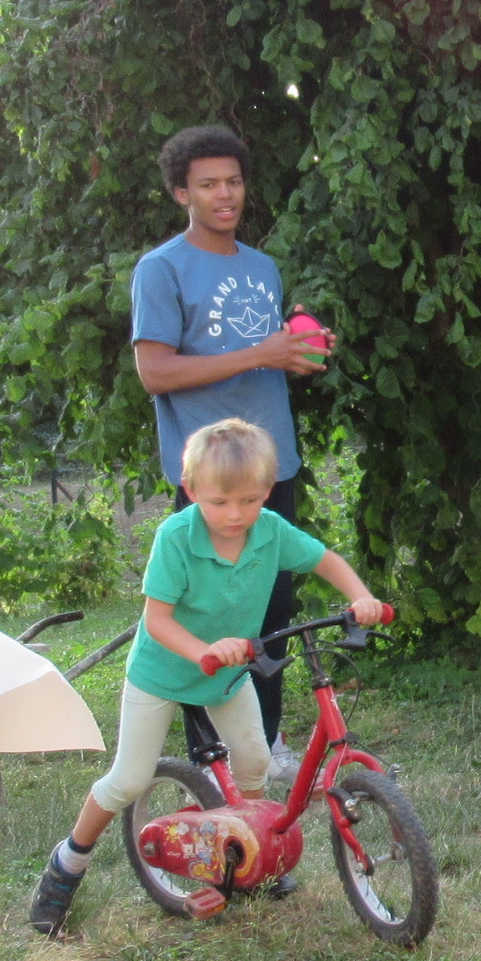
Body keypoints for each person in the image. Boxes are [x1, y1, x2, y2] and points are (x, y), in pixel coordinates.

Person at [28, 418, 387, 934]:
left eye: (249, 500)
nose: (235, 514)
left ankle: (247, 853)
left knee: (255, 762)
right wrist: (204, 651)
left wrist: (360, 596)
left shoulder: (269, 531)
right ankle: (67, 864)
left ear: (268, 490)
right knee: (129, 779)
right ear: (192, 490)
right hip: (161, 674)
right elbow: (157, 620)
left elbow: (324, 559)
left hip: (227, 674)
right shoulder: (177, 537)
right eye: (220, 502)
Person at [130, 124, 328, 775]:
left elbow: (259, 357)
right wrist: (260, 353)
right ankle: (210, 759)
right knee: (207, 620)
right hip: (210, 481)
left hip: (269, 469)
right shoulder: (161, 269)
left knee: (271, 613)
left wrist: (295, 354)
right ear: (181, 192)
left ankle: (264, 746)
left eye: (234, 182)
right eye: (208, 184)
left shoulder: (262, 267)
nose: (225, 195)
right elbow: (155, 371)